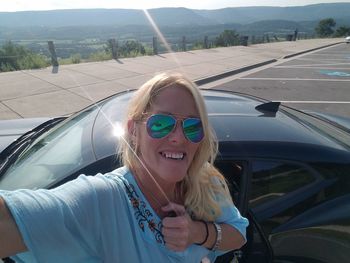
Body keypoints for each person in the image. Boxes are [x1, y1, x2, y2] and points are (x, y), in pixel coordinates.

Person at [0, 72, 248, 262]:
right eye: (161, 124)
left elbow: (239, 235)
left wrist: (196, 232)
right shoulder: (102, 200)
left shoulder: (205, 180)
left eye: (193, 127)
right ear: (133, 132)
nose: (179, 137)